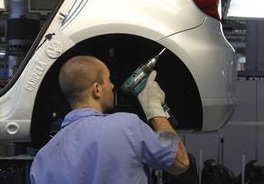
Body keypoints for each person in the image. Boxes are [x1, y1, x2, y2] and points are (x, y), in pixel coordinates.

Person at [30, 55, 189, 184]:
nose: (113, 86)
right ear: (97, 89)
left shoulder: (42, 159)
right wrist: (154, 107)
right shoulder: (126, 126)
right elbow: (180, 162)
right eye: (108, 79)